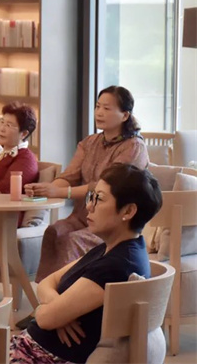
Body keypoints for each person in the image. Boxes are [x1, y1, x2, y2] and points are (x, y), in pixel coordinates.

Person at [10, 163, 162, 364]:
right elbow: (47, 281)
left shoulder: (117, 266)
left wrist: (48, 312)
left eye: (99, 199)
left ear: (128, 211)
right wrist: (59, 312)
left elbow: (46, 318)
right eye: (92, 196)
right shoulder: (112, 248)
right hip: (33, 350)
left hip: (42, 357)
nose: (89, 206)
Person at [25, 86, 149, 281]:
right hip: (83, 216)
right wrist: (48, 188)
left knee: (73, 241)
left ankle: (66, 294)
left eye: (107, 108)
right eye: (98, 106)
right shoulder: (90, 142)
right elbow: (70, 175)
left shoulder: (134, 147)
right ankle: (45, 293)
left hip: (113, 224)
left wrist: (60, 192)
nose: (99, 112)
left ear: (125, 115)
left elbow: (104, 187)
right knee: (53, 232)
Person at [0, 102, 38, 194]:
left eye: (8, 125)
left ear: (23, 134)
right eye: (2, 122)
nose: (2, 129)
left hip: (1, 203)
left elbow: (5, 188)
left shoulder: (26, 159)